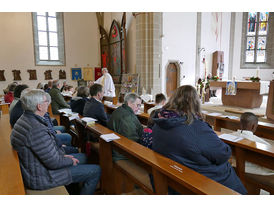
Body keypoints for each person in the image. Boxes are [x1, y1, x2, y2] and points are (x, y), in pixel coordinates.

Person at [152, 85, 247, 194]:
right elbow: (223, 154)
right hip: (197, 181)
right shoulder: (195, 127)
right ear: (195, 103)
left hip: (173, 174)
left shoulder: (160, 122)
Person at [10, 89, 101, 194]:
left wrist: (62, 156)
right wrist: (68, 160)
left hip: (37, 168)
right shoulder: (35, 128)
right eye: (46, 101)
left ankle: (74, 190)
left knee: (84, 157)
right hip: (42, 176)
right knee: (95, 170)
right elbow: (54, 163)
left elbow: (47, 152)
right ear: (39, 106)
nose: (48, 103)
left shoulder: (26, 118)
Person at [107, 93, 143, 162]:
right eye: (137, 105)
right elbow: (132, 141)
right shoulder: (128, 117)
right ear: (129, 103)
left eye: (140, 106)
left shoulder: (119, 109)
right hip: (122, 153)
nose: (138, 108)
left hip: (116, 147)